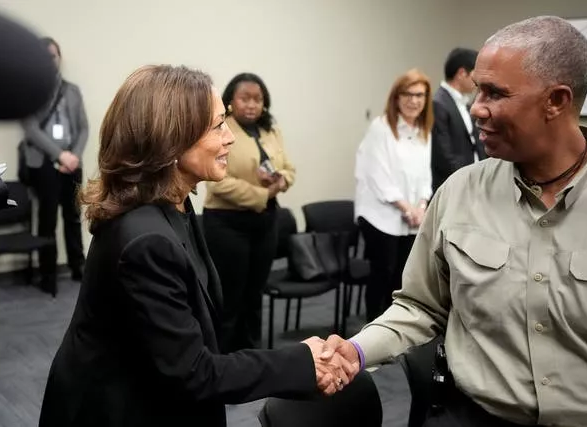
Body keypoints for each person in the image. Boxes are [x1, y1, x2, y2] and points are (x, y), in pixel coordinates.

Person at [38, 65, 357, 427]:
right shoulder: (147, 240)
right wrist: (303, 361)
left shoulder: (175, 204)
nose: (230, 137)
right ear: (173, 139)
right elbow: (194, 372)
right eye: (218, 125)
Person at [325, 16, 587, 427]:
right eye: (477, 88)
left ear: (556, 101)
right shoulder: (461, 192)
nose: (476, 107)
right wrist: (356, 350)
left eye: (495, 93)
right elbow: (419, 305)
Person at [203, 73, 296, 353]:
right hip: (227, 223)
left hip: (265, 221)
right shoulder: (220, 129)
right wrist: (263, 194)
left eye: (258, 99)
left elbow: (289, 168)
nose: (252, 105)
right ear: (231, 100)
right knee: (230, 296)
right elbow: (216, 182)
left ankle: (251, 353)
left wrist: (281, 181)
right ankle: (223, 357)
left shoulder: (271, 129)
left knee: (255, 294)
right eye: (245, 98)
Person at [354, 68, 433, 322]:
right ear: (396, 98)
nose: (414, 101)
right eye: (407, 94)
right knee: (382, 276)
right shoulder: (381, 127)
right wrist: (407, 208)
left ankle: (393, 335)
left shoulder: (423, 130)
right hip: (381, 216)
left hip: (411, 219)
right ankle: (371, 336)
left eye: (420, 95)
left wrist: (421, 206)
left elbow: (425, 175)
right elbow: (378, 176)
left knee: (403, 279)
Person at [20, 37, 88, 294]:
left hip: (72, 162)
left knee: (72, 217)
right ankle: (47, 273)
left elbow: (83, 127)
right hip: (45, 163)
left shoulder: (72, 90)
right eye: (45, 56)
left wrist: (75, 156)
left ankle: (77, 265)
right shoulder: (31, 90)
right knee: (47, 219)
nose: (51, 61)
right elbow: (30, 128)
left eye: (54, 56)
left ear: (60, 59)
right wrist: (60, 155)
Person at [431, 48, 486, 192]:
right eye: (475, 74)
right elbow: (443, 155)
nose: (477, 81)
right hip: (455, 186)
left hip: (473, 181)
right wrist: (467, 180)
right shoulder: (439, 104)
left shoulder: (464, 103)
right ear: (462, 73)